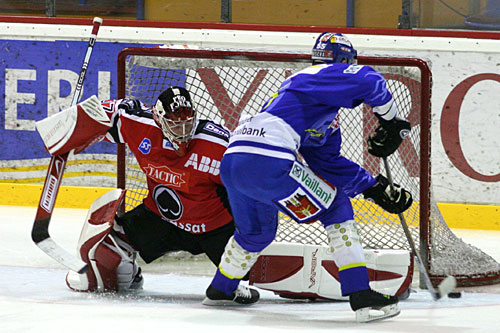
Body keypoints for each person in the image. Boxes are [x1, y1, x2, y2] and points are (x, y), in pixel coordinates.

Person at [202, 32, 413, 323]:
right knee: (337, 205)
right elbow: (369, 80)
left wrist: (374, 187)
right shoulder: (316, 74)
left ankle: (220, 290)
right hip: (269, 158)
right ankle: (360, 294)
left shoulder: (316, 105)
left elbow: (326, 163)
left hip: (235, 161)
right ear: (342, 61)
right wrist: (391, 122)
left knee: (256, 234)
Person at [64, 87, 253, 296]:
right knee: (107, 245)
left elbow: (249, 182)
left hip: (215, 229)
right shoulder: (141, 125)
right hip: (163, 220)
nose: (182, 132)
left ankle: (244, 275)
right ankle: (128, 274)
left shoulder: (218, 145)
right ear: (158, 118)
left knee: (253, 276)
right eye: (174, 124)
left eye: (187, 124)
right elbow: (108, 114)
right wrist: (72, 124)